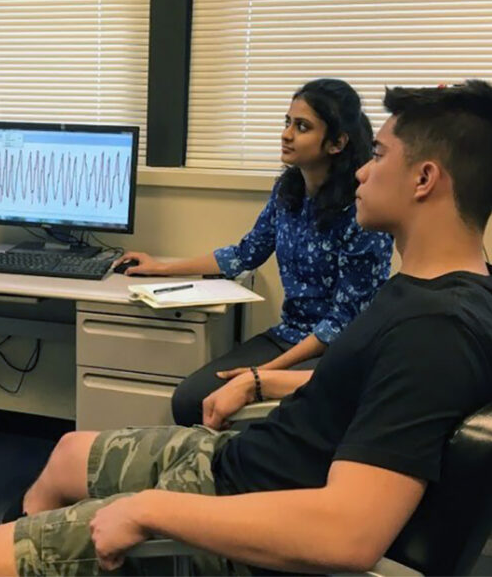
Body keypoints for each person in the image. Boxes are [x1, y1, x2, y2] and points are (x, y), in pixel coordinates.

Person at [0, 79, 492, 576]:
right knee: (65, 455)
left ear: (424, 180)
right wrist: (260, 384)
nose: (364, 171)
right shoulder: (438, 291)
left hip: (242, 510)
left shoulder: (436, 332)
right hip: (239, 461)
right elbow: (362, 386)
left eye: (380, 155)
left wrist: (149, 511)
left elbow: (350, 535)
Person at [112, 79, 394, 426]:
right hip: (289, 335)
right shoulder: (287, 191)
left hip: (339, 352)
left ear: (337, 143)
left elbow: (343, 321)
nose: (287, 134)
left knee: (270, 415)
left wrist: (261, 374)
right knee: (189, 399)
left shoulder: (361, 210)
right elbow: (245, 253)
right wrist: (159, 268)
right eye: (287, 122)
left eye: (302, 127)